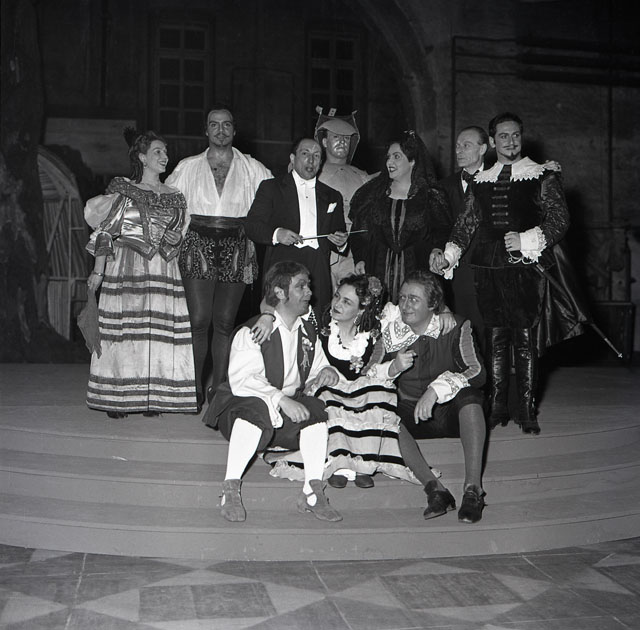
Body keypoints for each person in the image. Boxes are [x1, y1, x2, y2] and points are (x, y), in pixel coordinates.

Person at [431, 112, 586, 435]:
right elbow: (465, 224)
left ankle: (526, 409)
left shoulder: (541, 175)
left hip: (525, 269)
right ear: (493, 141)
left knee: (525, 339)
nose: (511, 141)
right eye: (503, 136)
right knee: (495, 337)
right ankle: (498, 406)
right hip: (487, 269)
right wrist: (449, 256)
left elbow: (559, 219)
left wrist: (526, 239)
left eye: (515, 135)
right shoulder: (481, 180)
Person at [203, 261, 343, 523]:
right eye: (301, 286)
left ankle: (312, 492)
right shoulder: (254, 330)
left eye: (308, 286)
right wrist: (282, 400)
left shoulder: (307, 331)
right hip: (239, 408)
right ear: (280, 292)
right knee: (255, 409)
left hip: (283, 415)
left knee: (316, 411)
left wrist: (327, 371)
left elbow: (317, 366)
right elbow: (244, 380)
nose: (309, 292)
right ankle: (230, 489)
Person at [264, 274, 419, 489]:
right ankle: (338, 465)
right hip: (330, 391)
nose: (337, 304)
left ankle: (363, 464)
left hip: (359, 394)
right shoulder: (318, 324)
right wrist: (266, 316)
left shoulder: (374, 335)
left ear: (361, 309)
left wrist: (446, 313)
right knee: (327, 395)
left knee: (378, 392)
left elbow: (418, 313)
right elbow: (274, 301)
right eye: (337, 296)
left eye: (347, 302)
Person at [85, 130, 197, 417]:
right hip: (128, 266)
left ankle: (153, 395)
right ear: (142, 157)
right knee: (126, 331)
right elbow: (106, 232)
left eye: (165, 151)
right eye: (158, 151)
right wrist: (98, 271)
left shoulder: (176, 196)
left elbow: (179, 233)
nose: (165, 156)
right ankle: (117, 395)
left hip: (163, 269)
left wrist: (177, 239)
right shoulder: (126, 191)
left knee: (156, 333)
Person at [165, 106, 272, 409]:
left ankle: (218, 390)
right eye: (214, 125)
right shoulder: (188, 166)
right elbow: (166, 202)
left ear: (234, 130)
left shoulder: (253, 168)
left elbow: (275, 196)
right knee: (199, 320)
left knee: (224, 322)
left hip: (237, 242)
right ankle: (193, 388)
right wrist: (169, 234)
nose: (221, 130)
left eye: (226, 125)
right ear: (206, 130)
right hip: (196, 240)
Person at [383, 270, 487, 523]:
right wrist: (392, 368)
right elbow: (368, 376)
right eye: (402, 297)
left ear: (433, 305)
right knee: (381, 412)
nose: (405, 305)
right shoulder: (389, 333)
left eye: (414, 299)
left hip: (450, 414)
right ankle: (436, 490)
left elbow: (477, 371)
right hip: (410, 419)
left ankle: (473, 490)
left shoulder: (457, 326)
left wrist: (435, 390)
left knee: (471, 397)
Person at [245, 138, 348, 311]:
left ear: (321, 162)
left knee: (318, 319)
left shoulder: (332, 195)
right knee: (280, 317)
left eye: (317, 156)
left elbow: (339, 233)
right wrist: (277, 234)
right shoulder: (271, 187)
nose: (311, 160)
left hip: (318, 266)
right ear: (292, 158)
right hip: (283, 264)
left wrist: (341, 242)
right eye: (305, 153)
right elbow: (252, 225)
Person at [349, 130, 451, 302]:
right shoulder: (373, 193)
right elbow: (359, 232)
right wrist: (360, 259)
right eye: (388, 157)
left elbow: (442, 230)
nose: (389, 162)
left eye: (397, 157)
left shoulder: (430, 195)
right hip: (377, 269)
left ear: (412, 161)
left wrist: (437, 248)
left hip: (417, 270)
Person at [437, 126, 489, 349]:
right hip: (460, 271)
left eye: (466, 145)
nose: (459, 150)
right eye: (457, 146)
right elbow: (440, 228)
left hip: (491, 268)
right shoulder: (444, 186)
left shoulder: (499, 178)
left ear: (483, 149)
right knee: (465, 330)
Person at [314, 109, 372, 287]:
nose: (342, 142)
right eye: (336, 137)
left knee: (352, 294)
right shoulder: (314, 172)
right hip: (324, 246)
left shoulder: (362, 176)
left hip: (354, 249)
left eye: (346, 138)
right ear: (325, 142)